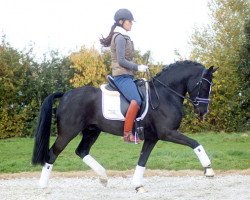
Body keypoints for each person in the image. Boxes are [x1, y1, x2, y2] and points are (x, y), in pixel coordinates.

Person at [100, 8, 148, 143]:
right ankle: (127, 134)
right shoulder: (120, 37)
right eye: (130, 21)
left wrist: (137, 67)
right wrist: (137, 67)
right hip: (121, 76)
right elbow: (121, 60)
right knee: (136, 100)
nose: (131, 23)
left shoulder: (125, 36)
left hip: (128, 75)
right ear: (121, 22)